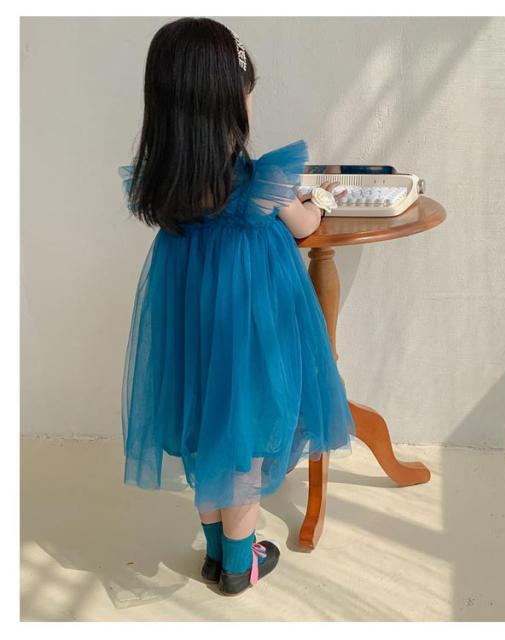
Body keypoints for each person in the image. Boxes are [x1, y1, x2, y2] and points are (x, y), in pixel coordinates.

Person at [118, 17, 356, 596]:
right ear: (230, 102)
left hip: (190, 321)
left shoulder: (162, 184)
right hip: (250, 323)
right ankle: (239, 564)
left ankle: (215, 553)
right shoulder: (260, 180)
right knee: (245, 434)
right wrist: (319, 202)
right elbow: (305, 225)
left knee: (204, 426)